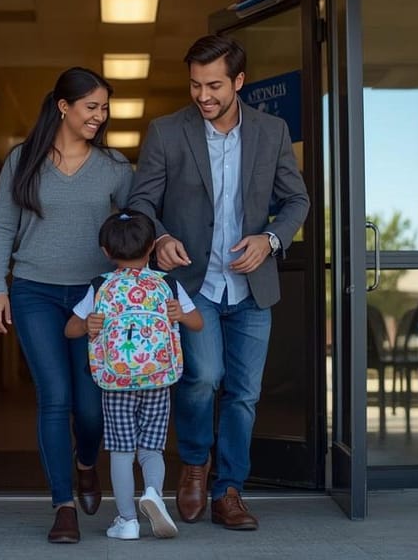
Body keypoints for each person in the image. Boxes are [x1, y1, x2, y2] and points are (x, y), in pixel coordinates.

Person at [127, 35, 311, 530]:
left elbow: (297, 201)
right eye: (195, 85)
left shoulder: (272, 131)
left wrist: (270, 240)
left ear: (239, 82)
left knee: (245, 393)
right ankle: (194, 464)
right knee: (203, 378)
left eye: (214, 86)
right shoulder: (167, 132)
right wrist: (160, 237)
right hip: (194, 285)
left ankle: (228, 489)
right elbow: (141, 202)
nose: (203, 96)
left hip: (253, 287)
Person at [0, 66, 133, 544]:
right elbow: (3, 227)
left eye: (104, 108)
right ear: (63, 106)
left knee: (90, 408)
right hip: (35, 292)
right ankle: (62, 505)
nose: (99, 116)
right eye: (91, 106)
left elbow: (137, 222)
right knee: (54, 397)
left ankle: (86, 462)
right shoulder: (23, 159)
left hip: (94, 296)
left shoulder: (114, 165)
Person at [64, 210, 203, 540]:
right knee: (152, 450)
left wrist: (87, 324)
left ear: (105, 251)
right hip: (158, 380)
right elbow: (198, 323)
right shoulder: (167, 284)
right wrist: (180, 315)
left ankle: (127, 520)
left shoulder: (101, 286)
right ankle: (153, 493)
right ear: (153, 246)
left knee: (122, 453)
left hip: (116, 383)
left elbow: (70, 330)